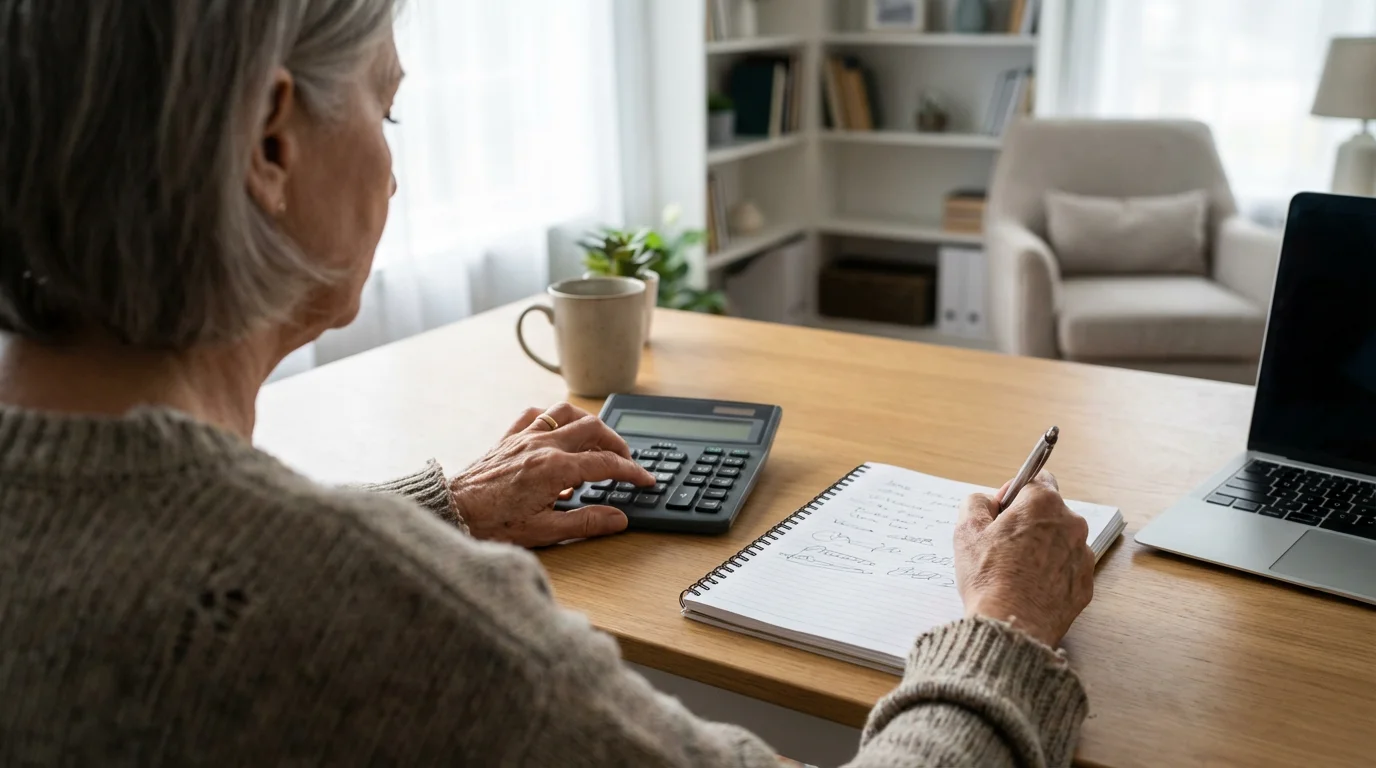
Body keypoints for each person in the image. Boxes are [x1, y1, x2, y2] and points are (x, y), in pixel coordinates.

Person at [0, 2, 1097, 765]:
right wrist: (1004, 626)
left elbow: (151, 560)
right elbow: (281, 602)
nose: (396, 167)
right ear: (270, 144)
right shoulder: (371, 611)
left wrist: (441, 510)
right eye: (385, 111)